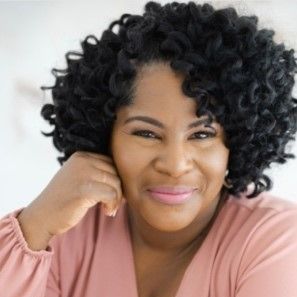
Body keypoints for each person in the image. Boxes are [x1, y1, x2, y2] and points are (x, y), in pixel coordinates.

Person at [1, 1, 297, 296]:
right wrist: (34, 225)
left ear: (237, 140)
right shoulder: (63, 235)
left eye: (202, 134)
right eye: (146, 133)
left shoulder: (276, 241)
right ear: (106, 135)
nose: (175, 164)